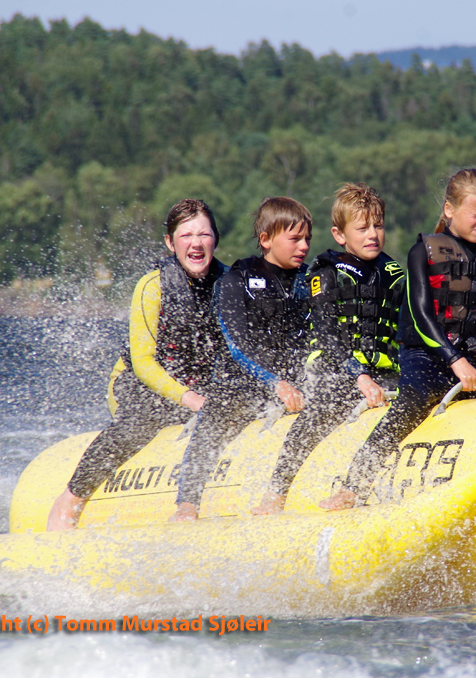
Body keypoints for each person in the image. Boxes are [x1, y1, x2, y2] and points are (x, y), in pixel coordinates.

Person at [319, 168, 476, 510]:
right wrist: (455, 361)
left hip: (473, 366)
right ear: (449, 210)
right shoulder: (423, 252)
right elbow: (421, 316)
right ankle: (353, 486)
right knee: (411, 403)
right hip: (425, 360)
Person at [47, 199, 228, 531]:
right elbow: (143, 363)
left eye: (204, 234)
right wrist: (190, 399)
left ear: (216, 239)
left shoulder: (229, 283)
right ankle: (70, 498)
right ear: (170, 243)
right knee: (143, 420)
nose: (196, 243)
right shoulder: (152, 286)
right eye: (186, 235)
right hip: (141, 386)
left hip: (200, 386)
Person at [251, 183, 405, 515]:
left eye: (378, 226)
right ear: (339, 234)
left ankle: (357, 484)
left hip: (384, 375)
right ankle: (276, 491)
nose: (373, 234)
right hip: (336, 374)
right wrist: (359, 376)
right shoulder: (325, 274)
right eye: (362, 228)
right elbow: (327, 334)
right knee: (319, 413)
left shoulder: (393, 274)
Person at [170, 196, 313, 521]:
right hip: (243, 384)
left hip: (294, 384)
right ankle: (187, 503)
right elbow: (238, 346)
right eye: (295, 239)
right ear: (266, 239)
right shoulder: (237, 281)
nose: (304, 246)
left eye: (307, 238)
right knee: (218, 409)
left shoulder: (311, 280)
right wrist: (276, 383)